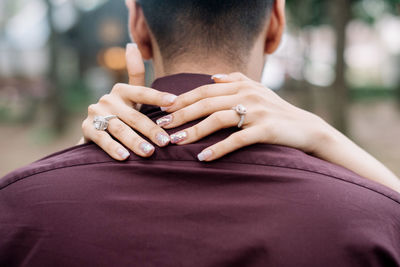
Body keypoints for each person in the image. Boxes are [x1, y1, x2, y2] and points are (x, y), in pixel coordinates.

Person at [1, 0, 400, 266]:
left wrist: (73, 159)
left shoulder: (15, 210)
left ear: (137, 22)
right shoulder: (374, 224)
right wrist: (325, 137)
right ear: (276, 22)